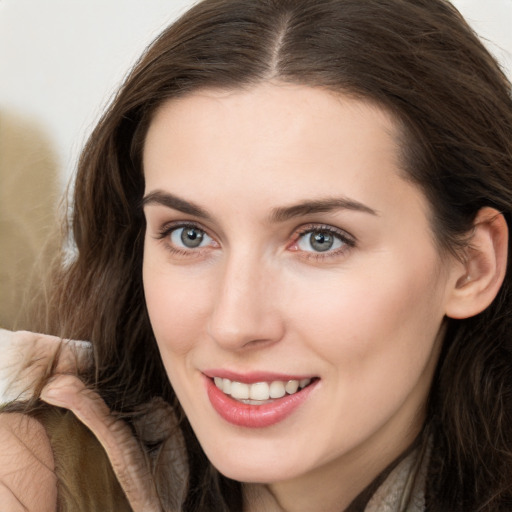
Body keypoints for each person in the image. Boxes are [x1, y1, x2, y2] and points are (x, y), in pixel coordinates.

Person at [1, 0, 512, 510]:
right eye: (190, 235)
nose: (234, 323)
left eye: (320, 239)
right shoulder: (29, 476)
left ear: (471, 266)